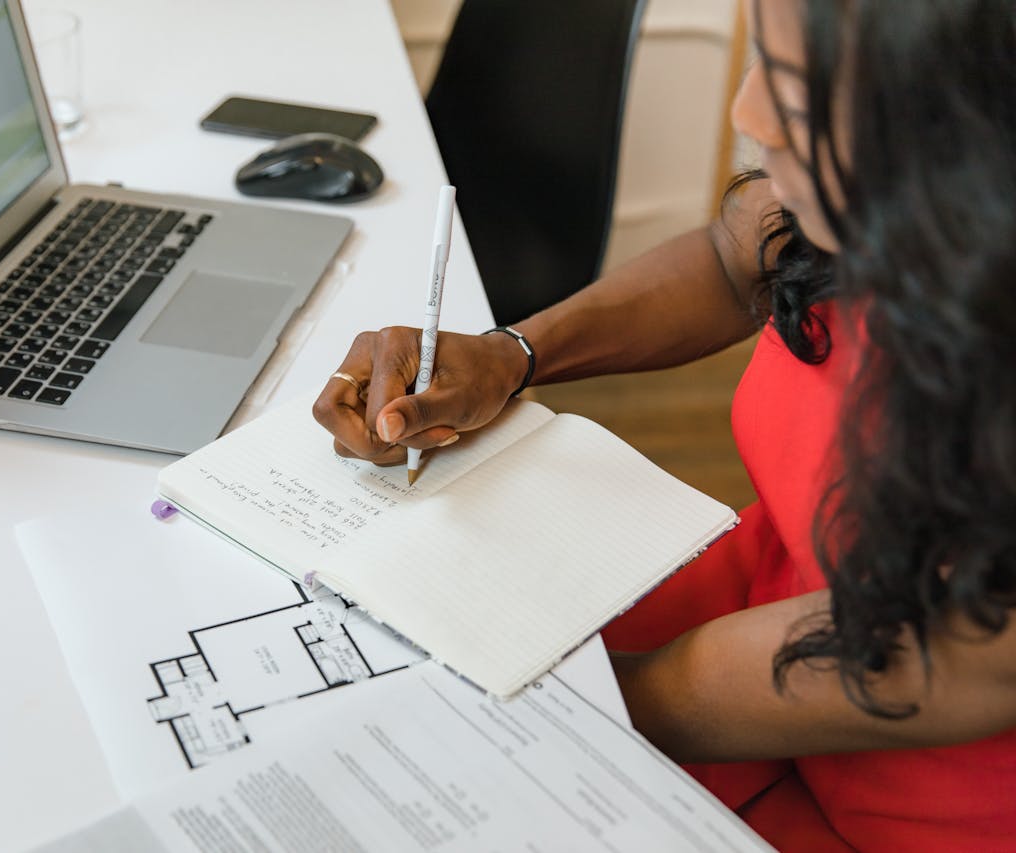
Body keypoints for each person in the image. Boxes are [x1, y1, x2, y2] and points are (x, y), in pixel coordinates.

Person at [311, 1, 1016, 849]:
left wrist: (575, 709)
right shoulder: (871, 198)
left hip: (905, 784)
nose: (746, 114)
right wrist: (512, 356)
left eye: (794, 91)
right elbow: (734, 254)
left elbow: (932, 653)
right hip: (755, 612)